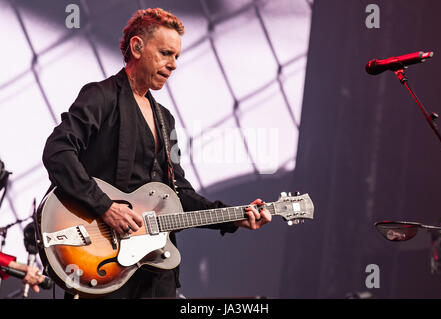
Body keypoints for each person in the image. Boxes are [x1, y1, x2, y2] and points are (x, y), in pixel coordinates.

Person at [42, 8, 271, 299]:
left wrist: (235, 217)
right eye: (165, 53)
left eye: (177, 56)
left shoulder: (166, 120)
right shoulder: (100, 96)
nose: (173, 64)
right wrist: (105, 206)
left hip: (154, 268)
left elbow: (181, 193)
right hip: (102, 260)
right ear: (137, 47)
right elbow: (58, 151)